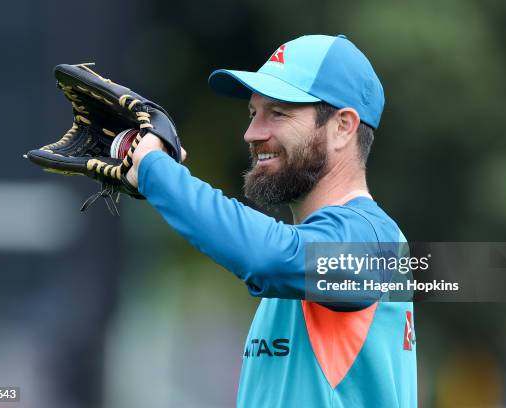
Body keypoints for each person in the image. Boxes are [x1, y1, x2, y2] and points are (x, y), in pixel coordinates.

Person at [125, 34, 417, 407]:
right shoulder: (305, 263)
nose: (252, 133)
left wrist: (157, 172)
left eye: (278, 113)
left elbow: (268, 257)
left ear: (343, 126)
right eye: (253, 113)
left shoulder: (374, 241)